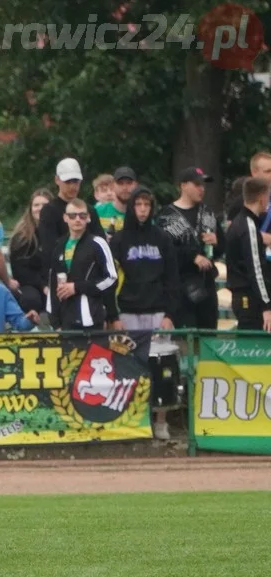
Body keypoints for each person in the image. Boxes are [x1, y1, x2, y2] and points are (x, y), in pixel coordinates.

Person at [110, 186, 178, 439]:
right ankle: (132, 420)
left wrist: (170, 313)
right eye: (138, 205)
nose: (142, 210)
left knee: (160, 367)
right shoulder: (118, 240)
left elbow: (173, 278)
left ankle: (161, 421)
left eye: (146, 205)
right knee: (128, 366)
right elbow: (110, 279)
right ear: (131, 207)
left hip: (157, 311)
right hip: (128, 311)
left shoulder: (162, 238)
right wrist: (113, 315)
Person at [157, 167, 223, 331]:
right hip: (180, 285)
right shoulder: (166, 216)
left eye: (203, 185)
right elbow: (163, 251)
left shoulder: (208, 212)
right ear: (183, 185)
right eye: (197, 184)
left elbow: (223, 247)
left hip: (206, 284)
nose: (202, 189)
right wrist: (192, 257)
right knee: (186, 337)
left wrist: (218, 242)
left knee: (208, 336)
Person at [47, 199, 118, 330]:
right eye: (72, 216)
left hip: (91, 319)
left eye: (82, 215)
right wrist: (55, 322)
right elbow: (53, 285)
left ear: (89, 218)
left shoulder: (98, 243)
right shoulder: (59, 245)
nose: (77, 219)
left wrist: (77, 287)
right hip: (66, 321)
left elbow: (112, 279)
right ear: (65, 218)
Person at [38, 158, 108, 275]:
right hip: (60, 273)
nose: (72, 186)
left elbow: (101, 242)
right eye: (68, 182)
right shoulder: (49, 211)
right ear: (57, 180)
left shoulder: (90, 210)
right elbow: (49, 248)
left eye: (75, 181)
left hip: (89, 272)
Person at [224, 177, 271, 332]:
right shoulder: (248, 226)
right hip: (249, 299)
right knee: (252, 346)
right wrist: (266, 306)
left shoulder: (239, 222)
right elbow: (256, 269)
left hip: (244, 296)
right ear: (261, 197)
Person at [9, 188, 52, 316]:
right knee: (31, 300)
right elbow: (20, 271)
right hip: (30, 283)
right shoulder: (21, 236)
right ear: (30, 208)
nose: (40, 208)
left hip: (54, 281)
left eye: (44, 205)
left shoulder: (60, 232)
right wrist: (43, 286)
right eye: (36, 205)